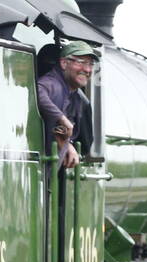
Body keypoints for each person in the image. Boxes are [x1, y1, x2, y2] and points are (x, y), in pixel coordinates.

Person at [37, 40, 100, 170]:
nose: (87, 69)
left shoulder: (77, 97)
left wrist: (68, 144)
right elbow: (36, 91)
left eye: (90, 64)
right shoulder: (52, 84)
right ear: (64, 63)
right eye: (81, 62)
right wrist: (61, 118)